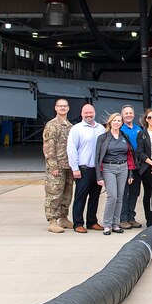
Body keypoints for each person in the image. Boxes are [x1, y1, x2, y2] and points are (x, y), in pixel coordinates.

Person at [67, 103, 106, 233]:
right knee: (81, 197)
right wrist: (75, 168)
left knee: (95, 197)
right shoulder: (77, 129)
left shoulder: (101, 128)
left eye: (91, 112)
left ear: (94, 113)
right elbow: (71, 149)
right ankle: (78, 223)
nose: (89, 115)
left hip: (97, 169)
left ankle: (92, 221)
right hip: (83, 169)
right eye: (86, 113)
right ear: (82, 114)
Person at [95, 113, 135, 235]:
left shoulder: (124, 136)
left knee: (120, 196)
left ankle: (115, 224)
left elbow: (130, 155)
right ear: (110, 122)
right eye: (114, 120)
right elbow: (97, 157)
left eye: (119, 121)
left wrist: (130, 173)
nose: (116, 123)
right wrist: (99, 176)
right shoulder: (103, 138)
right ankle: (107, 224)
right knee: (112, 196)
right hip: (109, 168)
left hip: (123, 168)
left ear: (122, 123)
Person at [42, 98, 74, 234]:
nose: (62, 108)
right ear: (55, 108)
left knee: (67, 193)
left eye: (65, 106)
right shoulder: (52, 125)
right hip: (57, 166)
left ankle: (63, 218)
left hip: (68, 166)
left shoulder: (70, 126)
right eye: (60, 106)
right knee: (54, 193)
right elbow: (49, 147)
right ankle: (52, 220)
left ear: (68, 108)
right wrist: (53, 166)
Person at [118, 105, 144, 229]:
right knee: (124, 193)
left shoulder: (139, 129)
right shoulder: (119, 129)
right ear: (122, 115)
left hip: (137, 165)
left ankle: (131, 217)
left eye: (130, 113)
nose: (129, 115)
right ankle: (122, 218)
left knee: (135, 192)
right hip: (125, 165)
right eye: (126, 113)